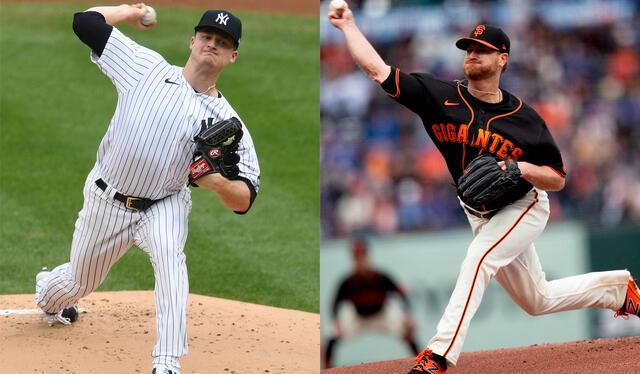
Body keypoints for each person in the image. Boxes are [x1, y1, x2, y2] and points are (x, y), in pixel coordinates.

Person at [328, 5, 640, 373]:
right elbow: (377, 70)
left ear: (502, 59)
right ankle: (619, 291)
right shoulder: (438, 95)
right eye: (468, 49)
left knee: (478, 258)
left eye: (481, 49)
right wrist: (349, 25)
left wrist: (518, 166)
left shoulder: (524, 119)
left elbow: (557, 178)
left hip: (523, 205)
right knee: (536, 300)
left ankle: (440, 355)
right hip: (478, 212)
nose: (471, 54)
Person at [34, 4, 260, 374]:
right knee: (78, 281)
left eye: (222, 42)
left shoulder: (229, 122)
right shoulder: (145, 67)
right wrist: (129, 10)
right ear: (192, 40)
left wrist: (215, 181)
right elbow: (85, 22)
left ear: (232, 56)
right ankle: (48, 292)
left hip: (165, 202)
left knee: (171, 261)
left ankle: (167, 362)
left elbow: (246, 198)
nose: (212, 45)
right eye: (207, 37)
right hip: (107, 200)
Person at [323, 237, 419, 368]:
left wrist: (408, 315)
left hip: (383, 315)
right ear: (353, 259)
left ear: (368, 256)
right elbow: (335, 304)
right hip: (358, 318)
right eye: (357, 256)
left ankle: (422, 365)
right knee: (332, 334)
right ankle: (327, 368)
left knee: (408, 330)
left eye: (362, 255)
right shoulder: (348, 282)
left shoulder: (380, 277)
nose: (360, 260)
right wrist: (336, 321)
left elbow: (401, 294)